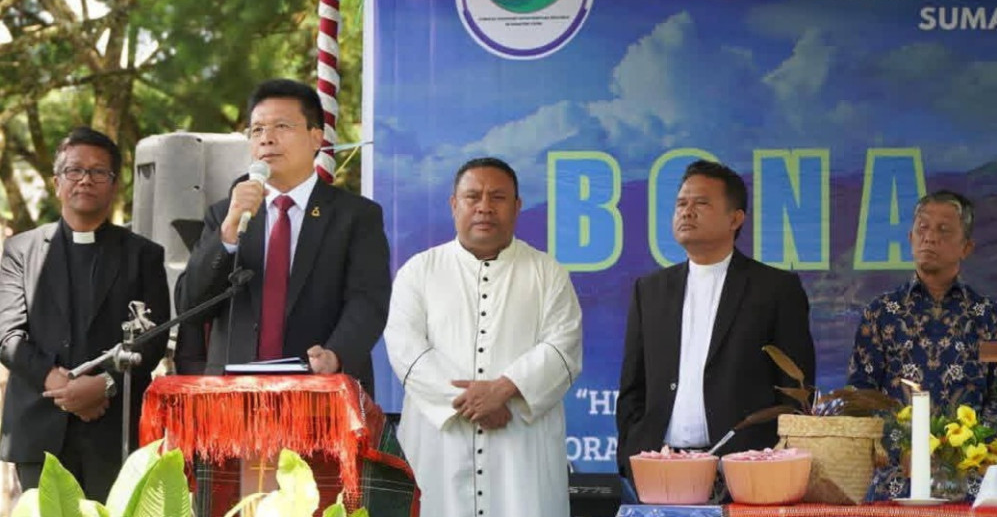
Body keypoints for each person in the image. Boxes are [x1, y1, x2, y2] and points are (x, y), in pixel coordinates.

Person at [384, 157, 583, 517]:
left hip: (520, 441)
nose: (484, 207)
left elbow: (562, 348)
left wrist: (504, 390)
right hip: (439, 441)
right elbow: (405, 347)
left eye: (498, 197)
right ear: (454, 204)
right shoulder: (419, 271)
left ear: (517, 206)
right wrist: (474, 402)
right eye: (473, 196)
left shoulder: (547, 272)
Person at [175, 79, 391, 394]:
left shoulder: (356, 216)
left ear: (316, 138)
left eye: (281, 126)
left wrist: (336, 355)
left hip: (319, 392)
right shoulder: (225, 214)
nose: (267, 139)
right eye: (257, 130)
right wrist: (228, 234)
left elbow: (367, 302)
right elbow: (190, 305)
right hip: (233, 397)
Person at [616, 160, 816, 482]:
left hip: (748, 468)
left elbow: (796, 392)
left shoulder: (775, 289)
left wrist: (778, 462)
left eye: (701, 203)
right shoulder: (650, 290)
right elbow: (632, 387)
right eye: (681, 203)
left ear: (736, 219)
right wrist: (631, 451)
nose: (687, 212)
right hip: (660, 463)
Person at [0, 127, 170, 501]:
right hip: (40, 422)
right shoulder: (20, 250)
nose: (85, 180)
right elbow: (7, 334)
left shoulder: (143, 255)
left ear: (113, 185)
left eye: (98, 172)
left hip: (114, 426)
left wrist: (104, 384)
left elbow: (154, 338)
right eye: (74, 170)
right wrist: (56, 381)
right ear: (57, 182)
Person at [847, 190, 997, 500]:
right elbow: (862, 397)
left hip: (968, 484)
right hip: (896, 481)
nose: (930, 238)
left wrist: (968, 451)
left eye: (943, 230)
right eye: (923, 228)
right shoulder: (881, 313)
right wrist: (902, 448)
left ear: (966, 247)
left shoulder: (991, 317)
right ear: (911, 237)